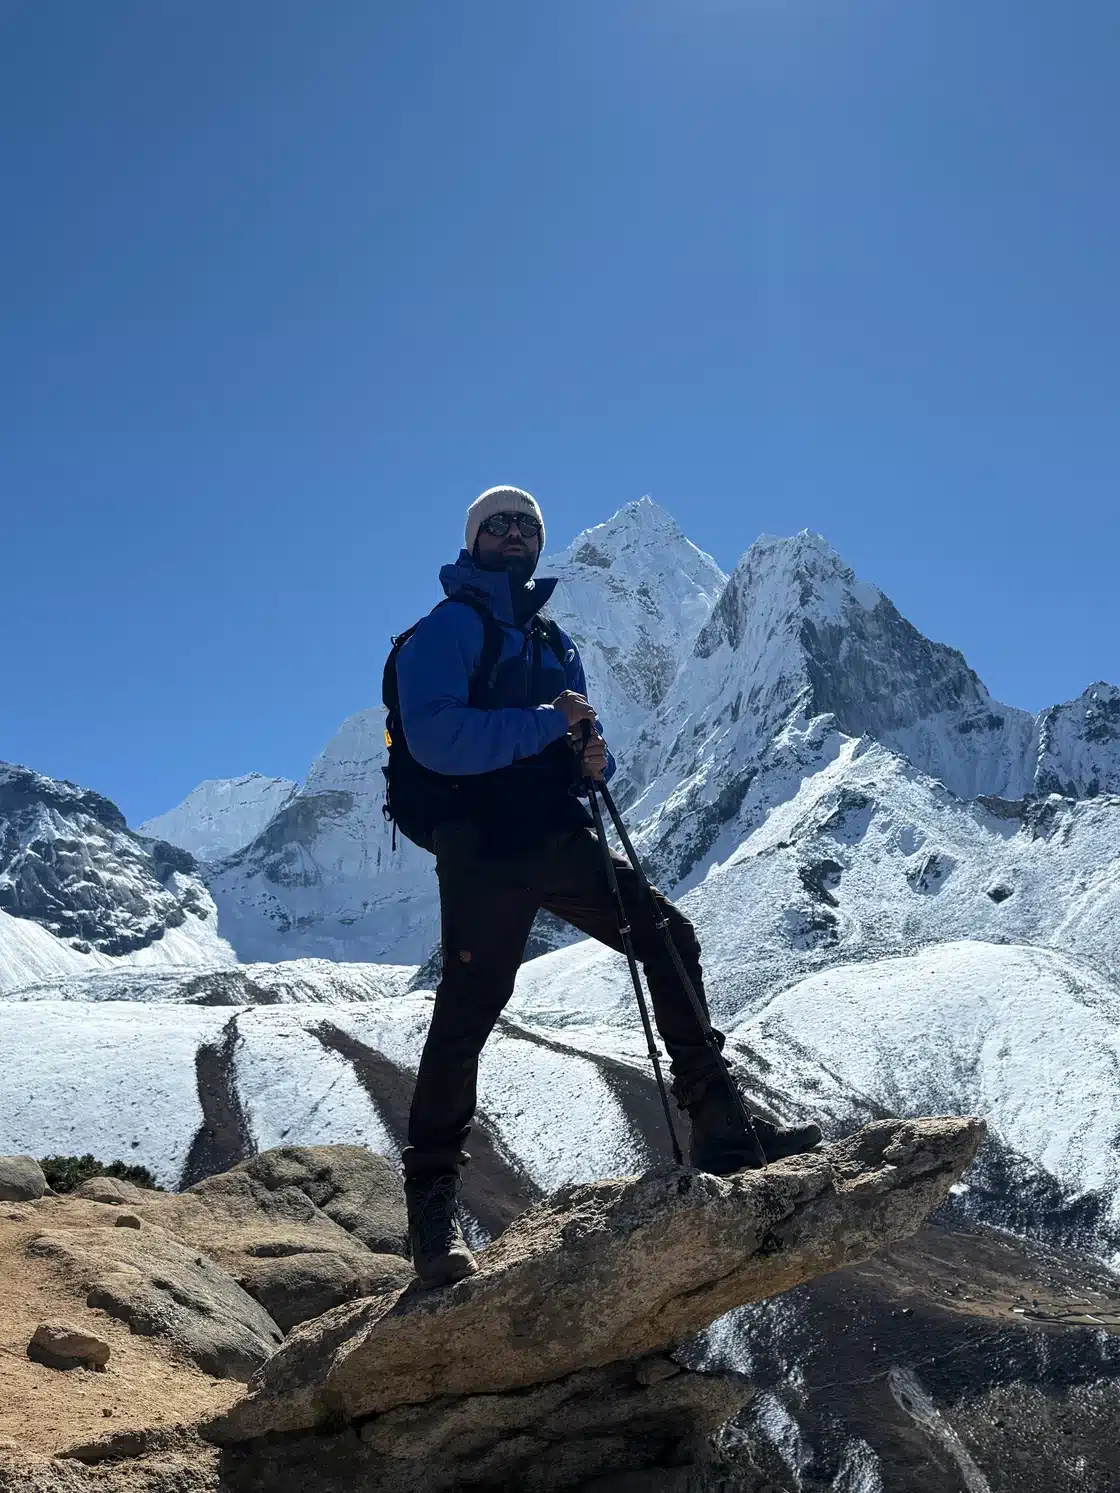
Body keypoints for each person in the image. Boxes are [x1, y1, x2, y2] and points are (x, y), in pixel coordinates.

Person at [394, 485, 821, 1287]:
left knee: (667, 936)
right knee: (466, 1014)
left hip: (556, 834)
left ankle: (722, 1128)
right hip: (482, 844)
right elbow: (437, 736)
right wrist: (549, 723)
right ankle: (432, 1211)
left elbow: (580, 739)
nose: (515, 533)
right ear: (474, 540)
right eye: (499, 524)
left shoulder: (551, 639)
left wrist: (593, 757)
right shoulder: (446, 629)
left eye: (527, 525)